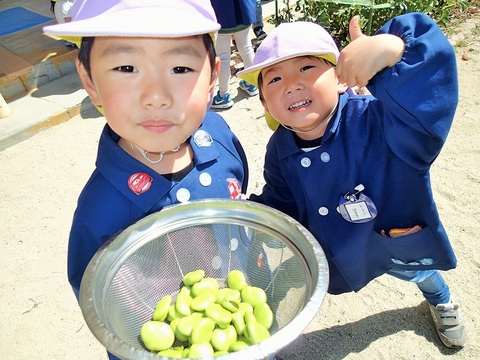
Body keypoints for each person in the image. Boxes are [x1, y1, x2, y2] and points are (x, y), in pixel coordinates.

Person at [238, 13, 467, 349]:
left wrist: (395, 47)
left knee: (414, 270)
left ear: (342, 79)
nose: (291, 84)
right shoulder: (279, 149)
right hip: (337, 246)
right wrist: (256, 217)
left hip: (387, 236)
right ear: (264, 103)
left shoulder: (377, 119)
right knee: (297, 272)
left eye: (306, 68)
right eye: (273, 80)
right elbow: (284, 201)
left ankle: (440, 297)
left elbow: (428, 109)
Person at [43, 0, 249, 306]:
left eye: (180, 68)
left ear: (211, 77)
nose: (156, 97)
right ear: (89, 80)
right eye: (126, 68)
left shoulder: (219, 134)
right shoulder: (99, 210)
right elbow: (99, 303)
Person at [210, 0, 259, 109]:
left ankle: (224, 95)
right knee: (247, 49)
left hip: (220, 14)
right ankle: (252, 84)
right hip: (243, 12)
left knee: (223, 57)